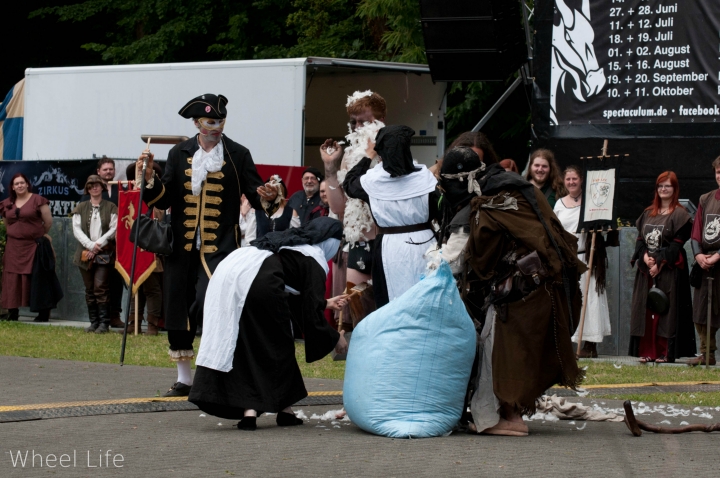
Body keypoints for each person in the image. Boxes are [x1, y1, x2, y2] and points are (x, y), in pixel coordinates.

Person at [435, 148, 584, 436]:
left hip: (525, 291)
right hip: (535, 287)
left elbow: (458, 261)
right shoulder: (513, 187)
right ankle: (507, 413)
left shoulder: (490, 202)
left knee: (503, 351)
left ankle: (510, 418)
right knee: (508, 350)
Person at [137, 93, 279, 397]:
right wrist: (150, 179)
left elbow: (257, 195)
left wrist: (267, 195)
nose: (215, 127)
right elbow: (165, 199)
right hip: (181, 246)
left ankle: (215, 371)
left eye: (219, 121)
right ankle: (185, 378)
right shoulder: (179, 153)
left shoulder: (238, 154)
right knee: (177, 305)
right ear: (197, 123)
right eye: (209, 122)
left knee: (210, 302)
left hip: (221, 245)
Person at [189, 217, 348, 430]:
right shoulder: (314, 256)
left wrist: (325, 303)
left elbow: (287, 289)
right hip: (255, 281)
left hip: (231, 273)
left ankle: (263, 411)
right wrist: (335, 338)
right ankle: (264, 410)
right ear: (330, 241)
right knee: (275, 344)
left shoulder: (289, 245)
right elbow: (310, 313)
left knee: (245, 343)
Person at [343, 125, 439, 307]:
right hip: (426, 244)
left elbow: (349, 183)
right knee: (426, 300)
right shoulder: (426, 179)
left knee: (392, 305)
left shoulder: (371, 182)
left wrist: (367, 155)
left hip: (389, 247)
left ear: (380, 154)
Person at [629, 171, 696, 363]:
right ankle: (649, 351)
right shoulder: (648, 213)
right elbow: (640, 240)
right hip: (647, 269)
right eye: (660, 186)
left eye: (668, 186)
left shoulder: (681, 215)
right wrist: (644, 257)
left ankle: (665, 352)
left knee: (666, 311)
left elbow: (676, 244)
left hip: (669, 269)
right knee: (647, 310)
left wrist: (659, 263)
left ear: (674, 189)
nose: (663, 189)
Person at [553, 166, 612, 358]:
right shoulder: (559, 204)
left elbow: (603, 225)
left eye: (575, 179)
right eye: (568, 179)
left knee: (590, 298)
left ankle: (589, 344)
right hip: (568, 258)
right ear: (564, 181)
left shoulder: (591, 204)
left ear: (581, 180)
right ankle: (571, 343)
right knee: (570, 299)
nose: (571, 182)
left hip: (588, 256)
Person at [0, 173, 57, 322]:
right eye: (16, 183)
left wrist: (38, 236)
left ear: (27, 184)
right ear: (12, 186)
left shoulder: (38, 200)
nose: (19, 185)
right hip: (13, 247)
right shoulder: (6, 203)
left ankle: (43, 313)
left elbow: (48, 222)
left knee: (37, 278)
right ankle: (12, 312)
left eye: (22, 183)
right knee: (12, 279)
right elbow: (7, 224)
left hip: (33, 246)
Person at [72, 175, 119, 333]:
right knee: (89, 289)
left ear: (102, 187)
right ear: (87, 189)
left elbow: (114, 228)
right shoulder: (81, 207)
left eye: (97, 185)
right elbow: (76, 229)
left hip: (103, 253)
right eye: (91, 185)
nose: (94, 188)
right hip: (85, 253)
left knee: (101, 287)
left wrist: (97, 245)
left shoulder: (111, 206)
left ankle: (104, 324)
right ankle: (94, 322)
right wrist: (90, 245)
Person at [124, 163, 165, 335]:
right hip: (133, 246)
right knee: (135, 287)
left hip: (151, 246)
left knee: (152, 289)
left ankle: (152, 325)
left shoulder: (159, 195)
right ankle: (134, 324)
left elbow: (160, 218)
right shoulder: (129, 195)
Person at [689, 156, 720, 366]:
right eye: (718, 172)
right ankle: (706, 353)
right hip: (705, 263)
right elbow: (696, 232)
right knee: (701, 311)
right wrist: (699, 254)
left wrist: (719, 255)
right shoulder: (705, 199)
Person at [240, 176, 300, 243]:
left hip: (282, 251)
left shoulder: (291, 212)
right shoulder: (256, 211)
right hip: (261, 251)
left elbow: (295, 237)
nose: (270, 192)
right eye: (268, 189)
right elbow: (250, 239)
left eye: (273, 188)